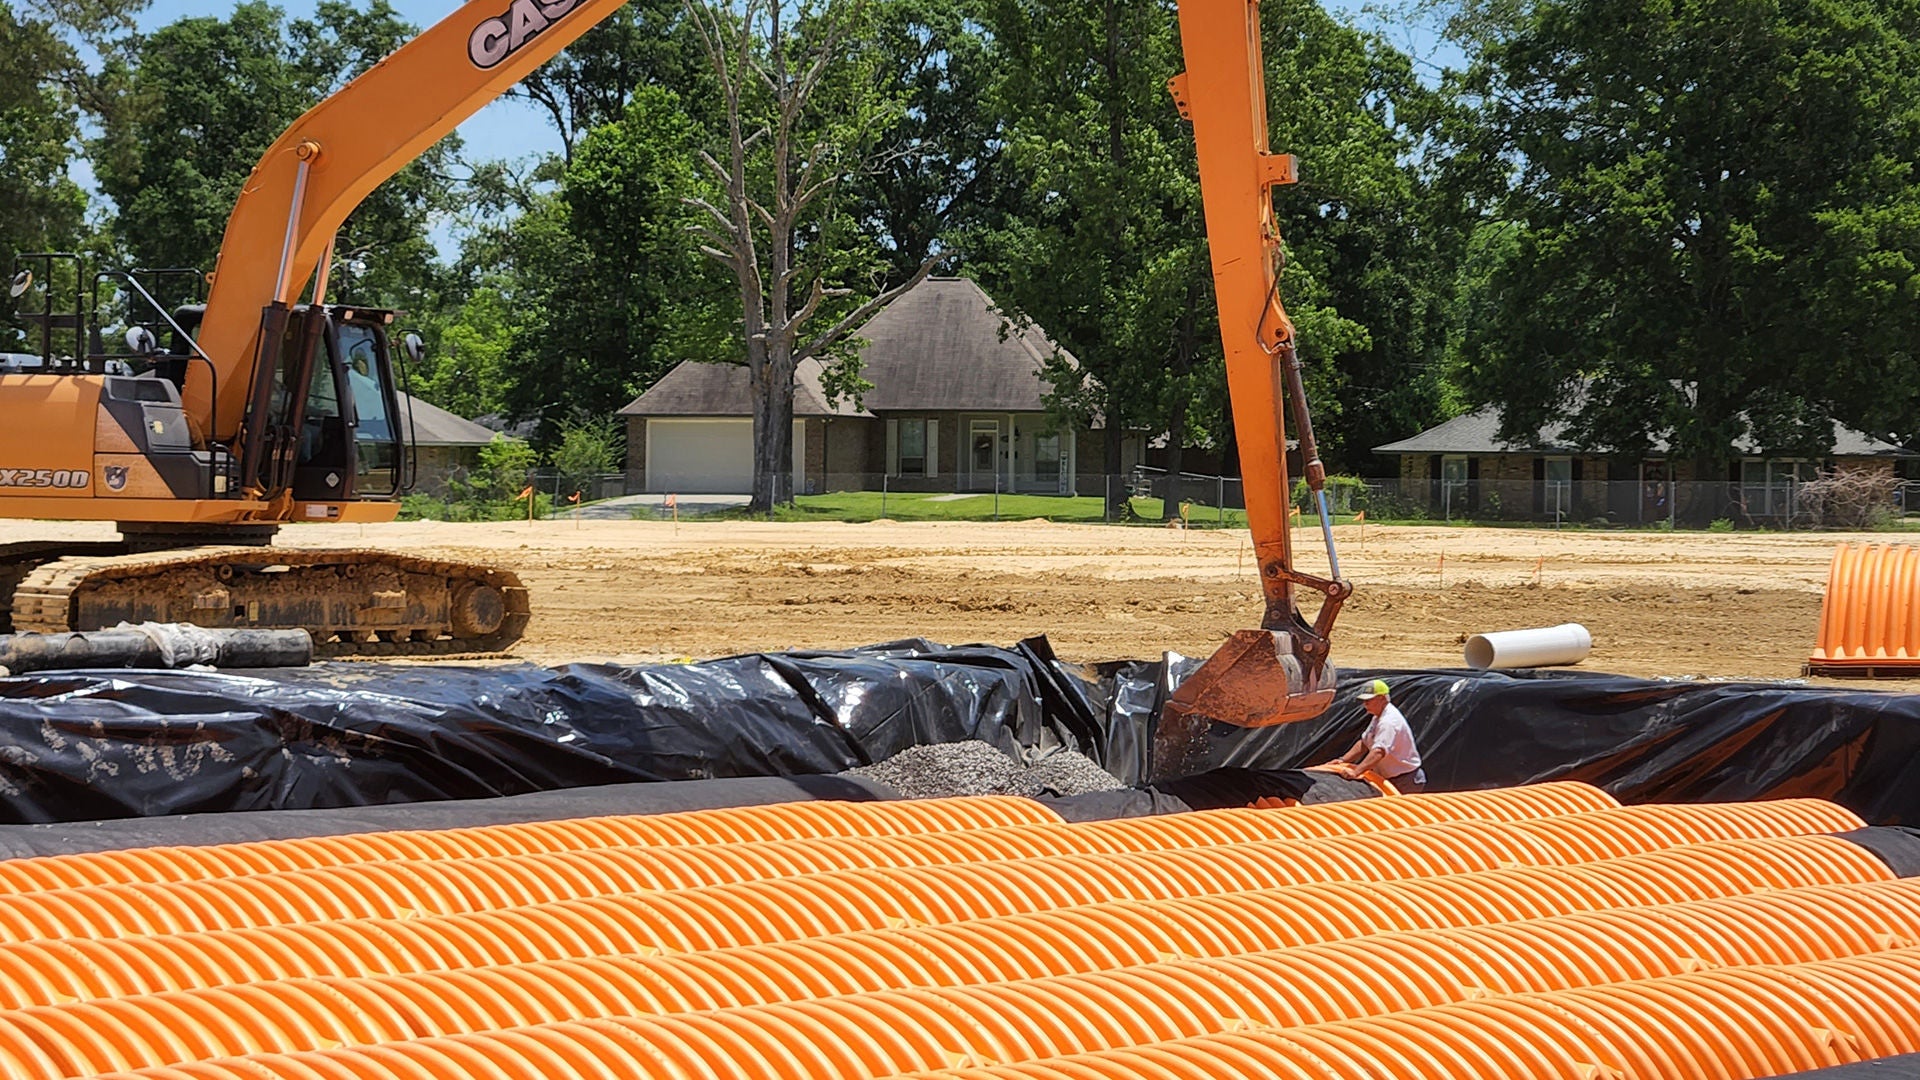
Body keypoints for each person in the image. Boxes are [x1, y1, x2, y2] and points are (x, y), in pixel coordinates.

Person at [1318, 679, 1426, 793]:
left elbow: (1379, 752)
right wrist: (1342, 760)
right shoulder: (1377, 717)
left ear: (1382, 698)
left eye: (1369, 700)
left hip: (1404, 780)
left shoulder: (1389, 721)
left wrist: (1356, 772)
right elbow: (1364, 743)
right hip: (1391, 778)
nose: (1365, 704)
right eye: (1364, 701)